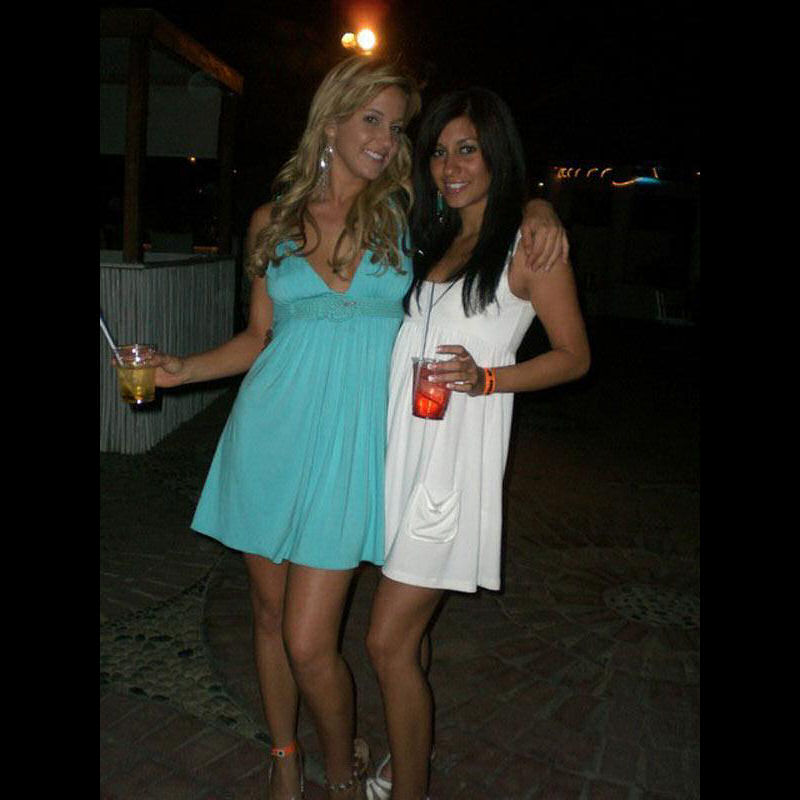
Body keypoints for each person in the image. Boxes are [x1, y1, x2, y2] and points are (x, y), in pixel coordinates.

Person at [150, 57, 566, 800]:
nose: (386, 139)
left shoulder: (409, 215)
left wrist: (541, 208)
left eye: (397, 127)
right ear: (331, 120)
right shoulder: (271, 222)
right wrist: (182, 370)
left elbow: (487, 205)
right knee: (268, 615)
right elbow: (258, 338)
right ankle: (285, 757)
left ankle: (340, 766)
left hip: (355, 447)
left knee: (311, 642)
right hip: (270, 434)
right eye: (371, 120)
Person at [365, 88, 591, 800]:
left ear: (497, 155)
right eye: (440, 151)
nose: (450, 166)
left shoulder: (528, 245)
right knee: (411, 636)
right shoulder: (436, 237)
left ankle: (410, 786)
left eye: (468, 150)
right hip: (403, 458)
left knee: (384, 641)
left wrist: (489, 379)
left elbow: (574, 356)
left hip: (451, 473)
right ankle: (406, 754)